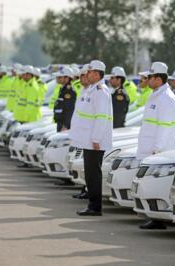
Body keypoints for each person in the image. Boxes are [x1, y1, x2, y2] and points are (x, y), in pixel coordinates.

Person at [136, 62, 175, 229]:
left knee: (157, 184)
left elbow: (165, 126)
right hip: (148, 147)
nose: (147, 80)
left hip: (157, 150)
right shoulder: (155, 95)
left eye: (150, 77)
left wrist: (158, 149)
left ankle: (159, 219)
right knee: (149, 184)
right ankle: (154, 217)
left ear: (158, 79)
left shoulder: (166, 98)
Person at [69, 60, 113, 216]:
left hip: (94, 141)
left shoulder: (101, 91)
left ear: (96, 73)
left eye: (89, 73)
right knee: (90, 173)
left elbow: (101, 117)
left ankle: (95, 207)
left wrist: (96, 139)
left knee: (93, 174)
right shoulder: (91, 90)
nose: (86, 75)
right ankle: (93, 205)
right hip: (88, 140)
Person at [71, 64, 91, 200]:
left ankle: (89, 191)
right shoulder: (84, 90)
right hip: (82, 135)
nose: (80, 79)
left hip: (89, 137)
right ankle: (85, 188)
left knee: (90, 168)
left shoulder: (95, 91)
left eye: (82, 76)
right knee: (84, 165)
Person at [53, 67, 77, 132]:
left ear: (67, 78)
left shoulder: (69, 91)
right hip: (60, 122)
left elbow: (69, 110)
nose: (57, 79)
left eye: (60, 77)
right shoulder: (63, 89)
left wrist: (65, 125)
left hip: (64, 125)